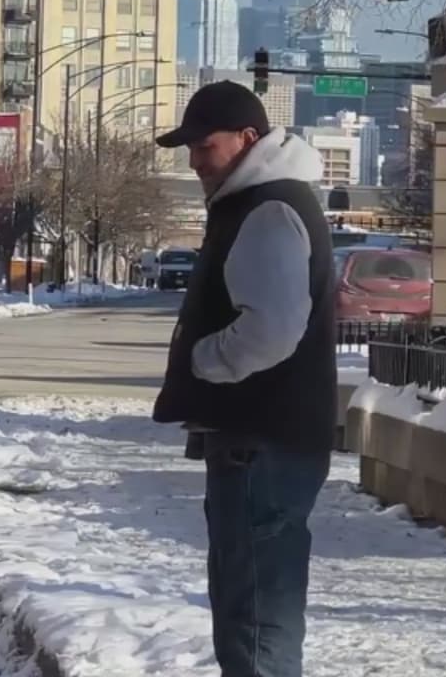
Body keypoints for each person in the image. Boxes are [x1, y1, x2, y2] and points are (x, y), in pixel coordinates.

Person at [151, 81, 336, 677]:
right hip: (265, 441)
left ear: (248, 139)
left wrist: (203, 360)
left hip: (263, 442)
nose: (195, 161)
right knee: (249, 605)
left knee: (255, 613)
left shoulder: (269, 210)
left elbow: (273, 329)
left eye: (205, 146)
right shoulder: (260, 203)